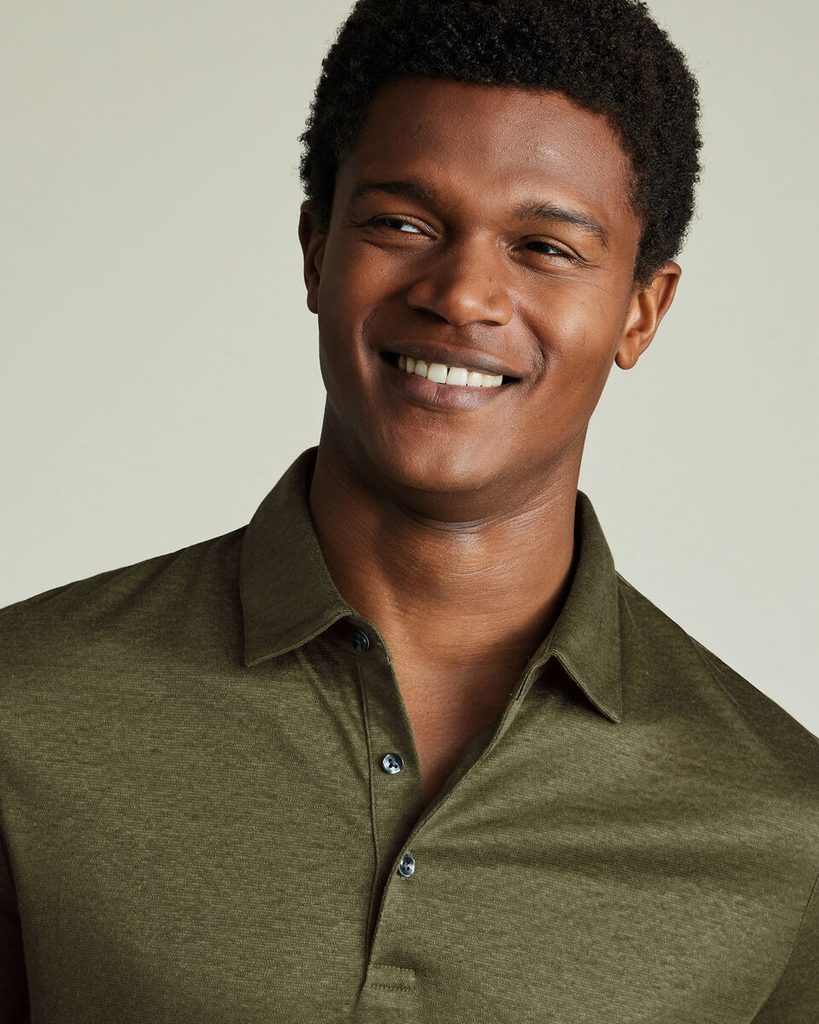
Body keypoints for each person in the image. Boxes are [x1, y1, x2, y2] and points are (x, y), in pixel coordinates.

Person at [1, 0, 816, 1020]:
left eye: (545, 246)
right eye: (402, 225)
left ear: (641, 312)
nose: (463, 294)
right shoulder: (23, 711)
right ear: (316, 250)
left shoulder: (784, 828)